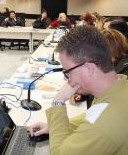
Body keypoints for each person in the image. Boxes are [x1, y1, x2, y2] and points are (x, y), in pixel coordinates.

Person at [29, 25, 128, 155]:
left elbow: (60, 153)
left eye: (67, 72)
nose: (67, 80)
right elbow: (90, 116)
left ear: (88, 69)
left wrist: (58, 102)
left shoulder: (105, 123)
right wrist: (54, 127)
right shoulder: (119, 83)